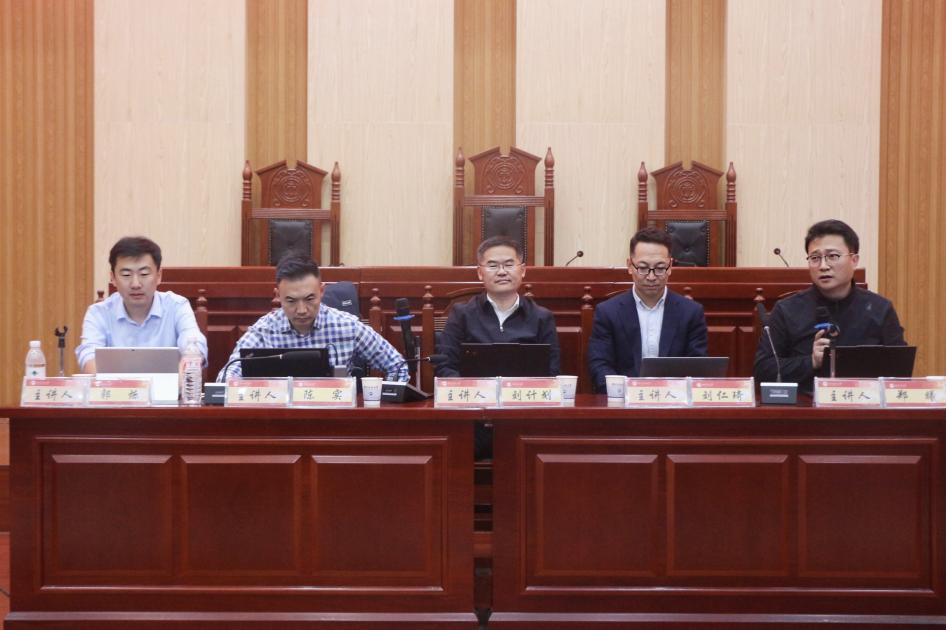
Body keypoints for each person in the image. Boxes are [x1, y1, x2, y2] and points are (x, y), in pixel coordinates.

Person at [753, 219, 905, 393]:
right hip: (805, 405)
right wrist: (811, 361)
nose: (823, 266)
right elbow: (762, 370)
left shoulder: (880, 309)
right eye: (815, 258)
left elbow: (900, 369)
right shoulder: (787, 310)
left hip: (864, 404)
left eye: (833, 256)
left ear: (854, 260)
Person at [218, 254, 408, 381]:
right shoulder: (264, 330)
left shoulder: (346, 326)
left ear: (322, 291)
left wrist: (382, 400)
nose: (301, 310)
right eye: (291, 301)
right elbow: (226, 377)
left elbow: (398, 366)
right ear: (277, 296)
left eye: (309, 299)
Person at [587, 227, 708, 392]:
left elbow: (697, 368)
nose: (651, 277)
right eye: (643, 268)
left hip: (673, 401)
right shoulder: (608, 312)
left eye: (660, 268)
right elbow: (599, 365)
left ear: (670, 266)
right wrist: (627, 394)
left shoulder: (691, 313)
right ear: (630, 266)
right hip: (623, 401)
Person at [76, 236, 208, 373]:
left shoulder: (177, 306)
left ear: (159, 276)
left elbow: (194, 344)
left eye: (144, 274)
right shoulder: (98, 313)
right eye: (126, 275)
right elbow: (88, 357)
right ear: (113, 278)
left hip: (170, 387)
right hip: (116, 387)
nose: (135, 284)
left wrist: (189, 363)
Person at [436, 236, 560, 378]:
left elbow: (552, 372)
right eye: (493, 266)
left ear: (523, 270)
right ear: (480, 273)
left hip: (524, 392)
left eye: (509, 264)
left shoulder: (541, 317)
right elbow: (445, 367)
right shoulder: (461, 314)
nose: (502, 272)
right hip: (475, 391)